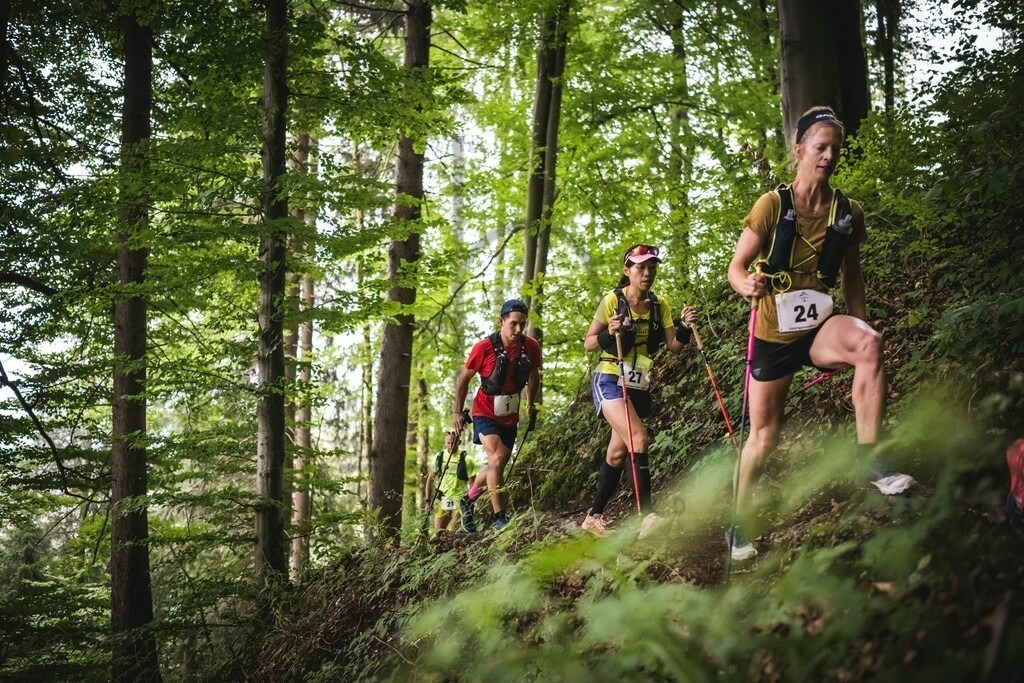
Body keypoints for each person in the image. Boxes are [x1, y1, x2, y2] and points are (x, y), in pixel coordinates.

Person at [726, 105, 915, 562]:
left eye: (835, 149)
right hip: (773, 333)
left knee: (869, 344)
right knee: (764, 437)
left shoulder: (847, 212)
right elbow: (736, 267)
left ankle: (870, 460)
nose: (828, 156)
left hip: (820, 327)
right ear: (799, 151)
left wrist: (860, 319)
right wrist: (745, 282)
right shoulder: (773, 205)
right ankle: (737, 521)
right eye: (820, 147)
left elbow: (852, 277)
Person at [581, 244, 697, 538]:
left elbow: (674, 347)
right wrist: (610, 332)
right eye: (640, 268)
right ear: (627, 271)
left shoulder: (661, 305)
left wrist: (684, 326)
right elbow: (589, 343)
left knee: (618, 454)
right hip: (609, 378)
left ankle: (592, 518)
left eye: (651, 268)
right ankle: (647, 516)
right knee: (639, 437)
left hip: (638, 383)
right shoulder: (612, 301)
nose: (647, 273)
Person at [453, 299, 541, 532]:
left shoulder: (531, 346)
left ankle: (468, 500)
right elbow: (463, 380)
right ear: (501, 321)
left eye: (522, 324)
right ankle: (499, 517)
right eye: (513, 324)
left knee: (497, 465)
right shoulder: (484, 348)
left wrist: (530, 406)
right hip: (484, 411)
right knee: (498, 457)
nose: (518, 330)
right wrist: (456, 412)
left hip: (510, 416)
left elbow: (533, 376)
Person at [422, 432, 475, 534]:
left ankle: (456, 547)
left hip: (460, 498)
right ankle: (440, 549)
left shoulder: (467, 459)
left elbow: (472, 483)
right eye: (448, 443)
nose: (451, 446)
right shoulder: (439, 457)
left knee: (454, 528)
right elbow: (430, 479)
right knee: (438, 532)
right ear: (445, 443)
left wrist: (472, 500)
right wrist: (427, 501)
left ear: (459, 442)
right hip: (444, 497)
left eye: (453, 443)